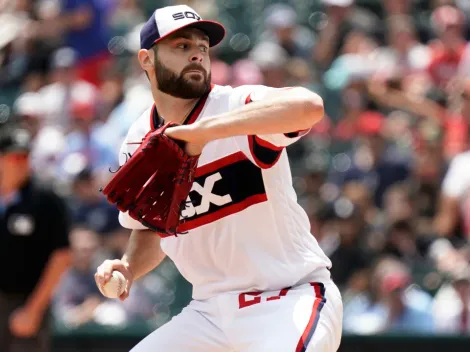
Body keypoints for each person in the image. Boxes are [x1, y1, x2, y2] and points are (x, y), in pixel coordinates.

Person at [95, 5, 343, 351]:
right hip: (209, 313)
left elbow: (309, 105)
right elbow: (151, 228)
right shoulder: (139, 140)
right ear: (146, 59)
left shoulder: (236, 105)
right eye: (182, 46)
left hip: (287, 300)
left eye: (202, 47)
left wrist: (201, 133)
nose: (197, 54)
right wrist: (128, 269)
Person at [0, 125, 71, 352]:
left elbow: (62, 256)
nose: (21, 162)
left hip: (23, 303)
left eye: (25, 156)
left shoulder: (45, 199)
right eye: (14, 156)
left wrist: (33, 310)